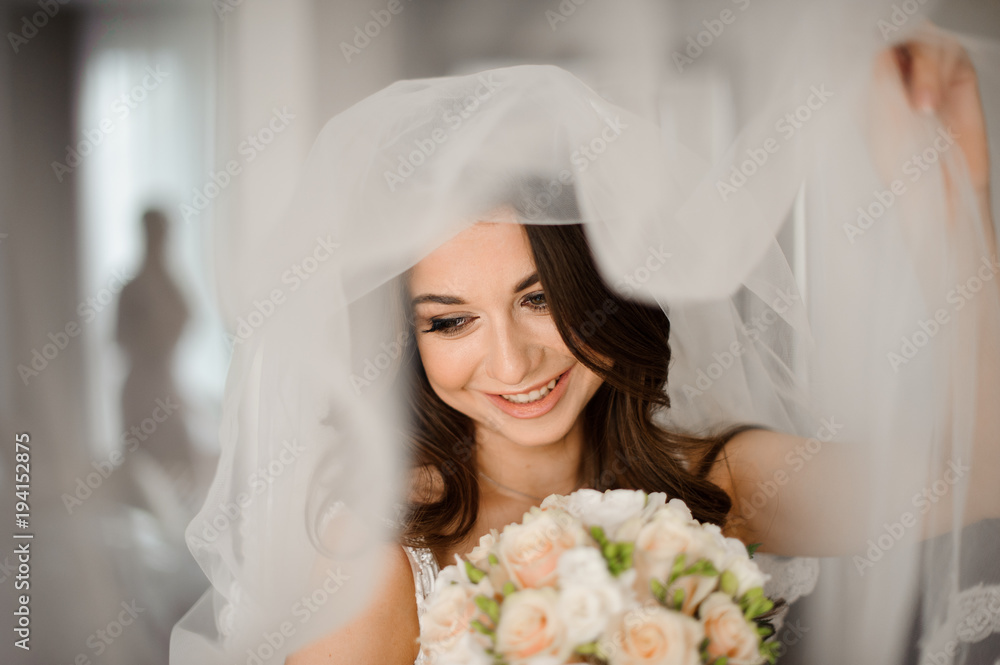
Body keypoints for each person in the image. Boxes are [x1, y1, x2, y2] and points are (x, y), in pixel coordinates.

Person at [170, 14, 1000, 665]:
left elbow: (977, 478)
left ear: (606, 292)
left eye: (539, 299)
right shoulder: (382, 551)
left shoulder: (723, 485)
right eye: (451, 320)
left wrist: (956, 206)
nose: (511, 360)